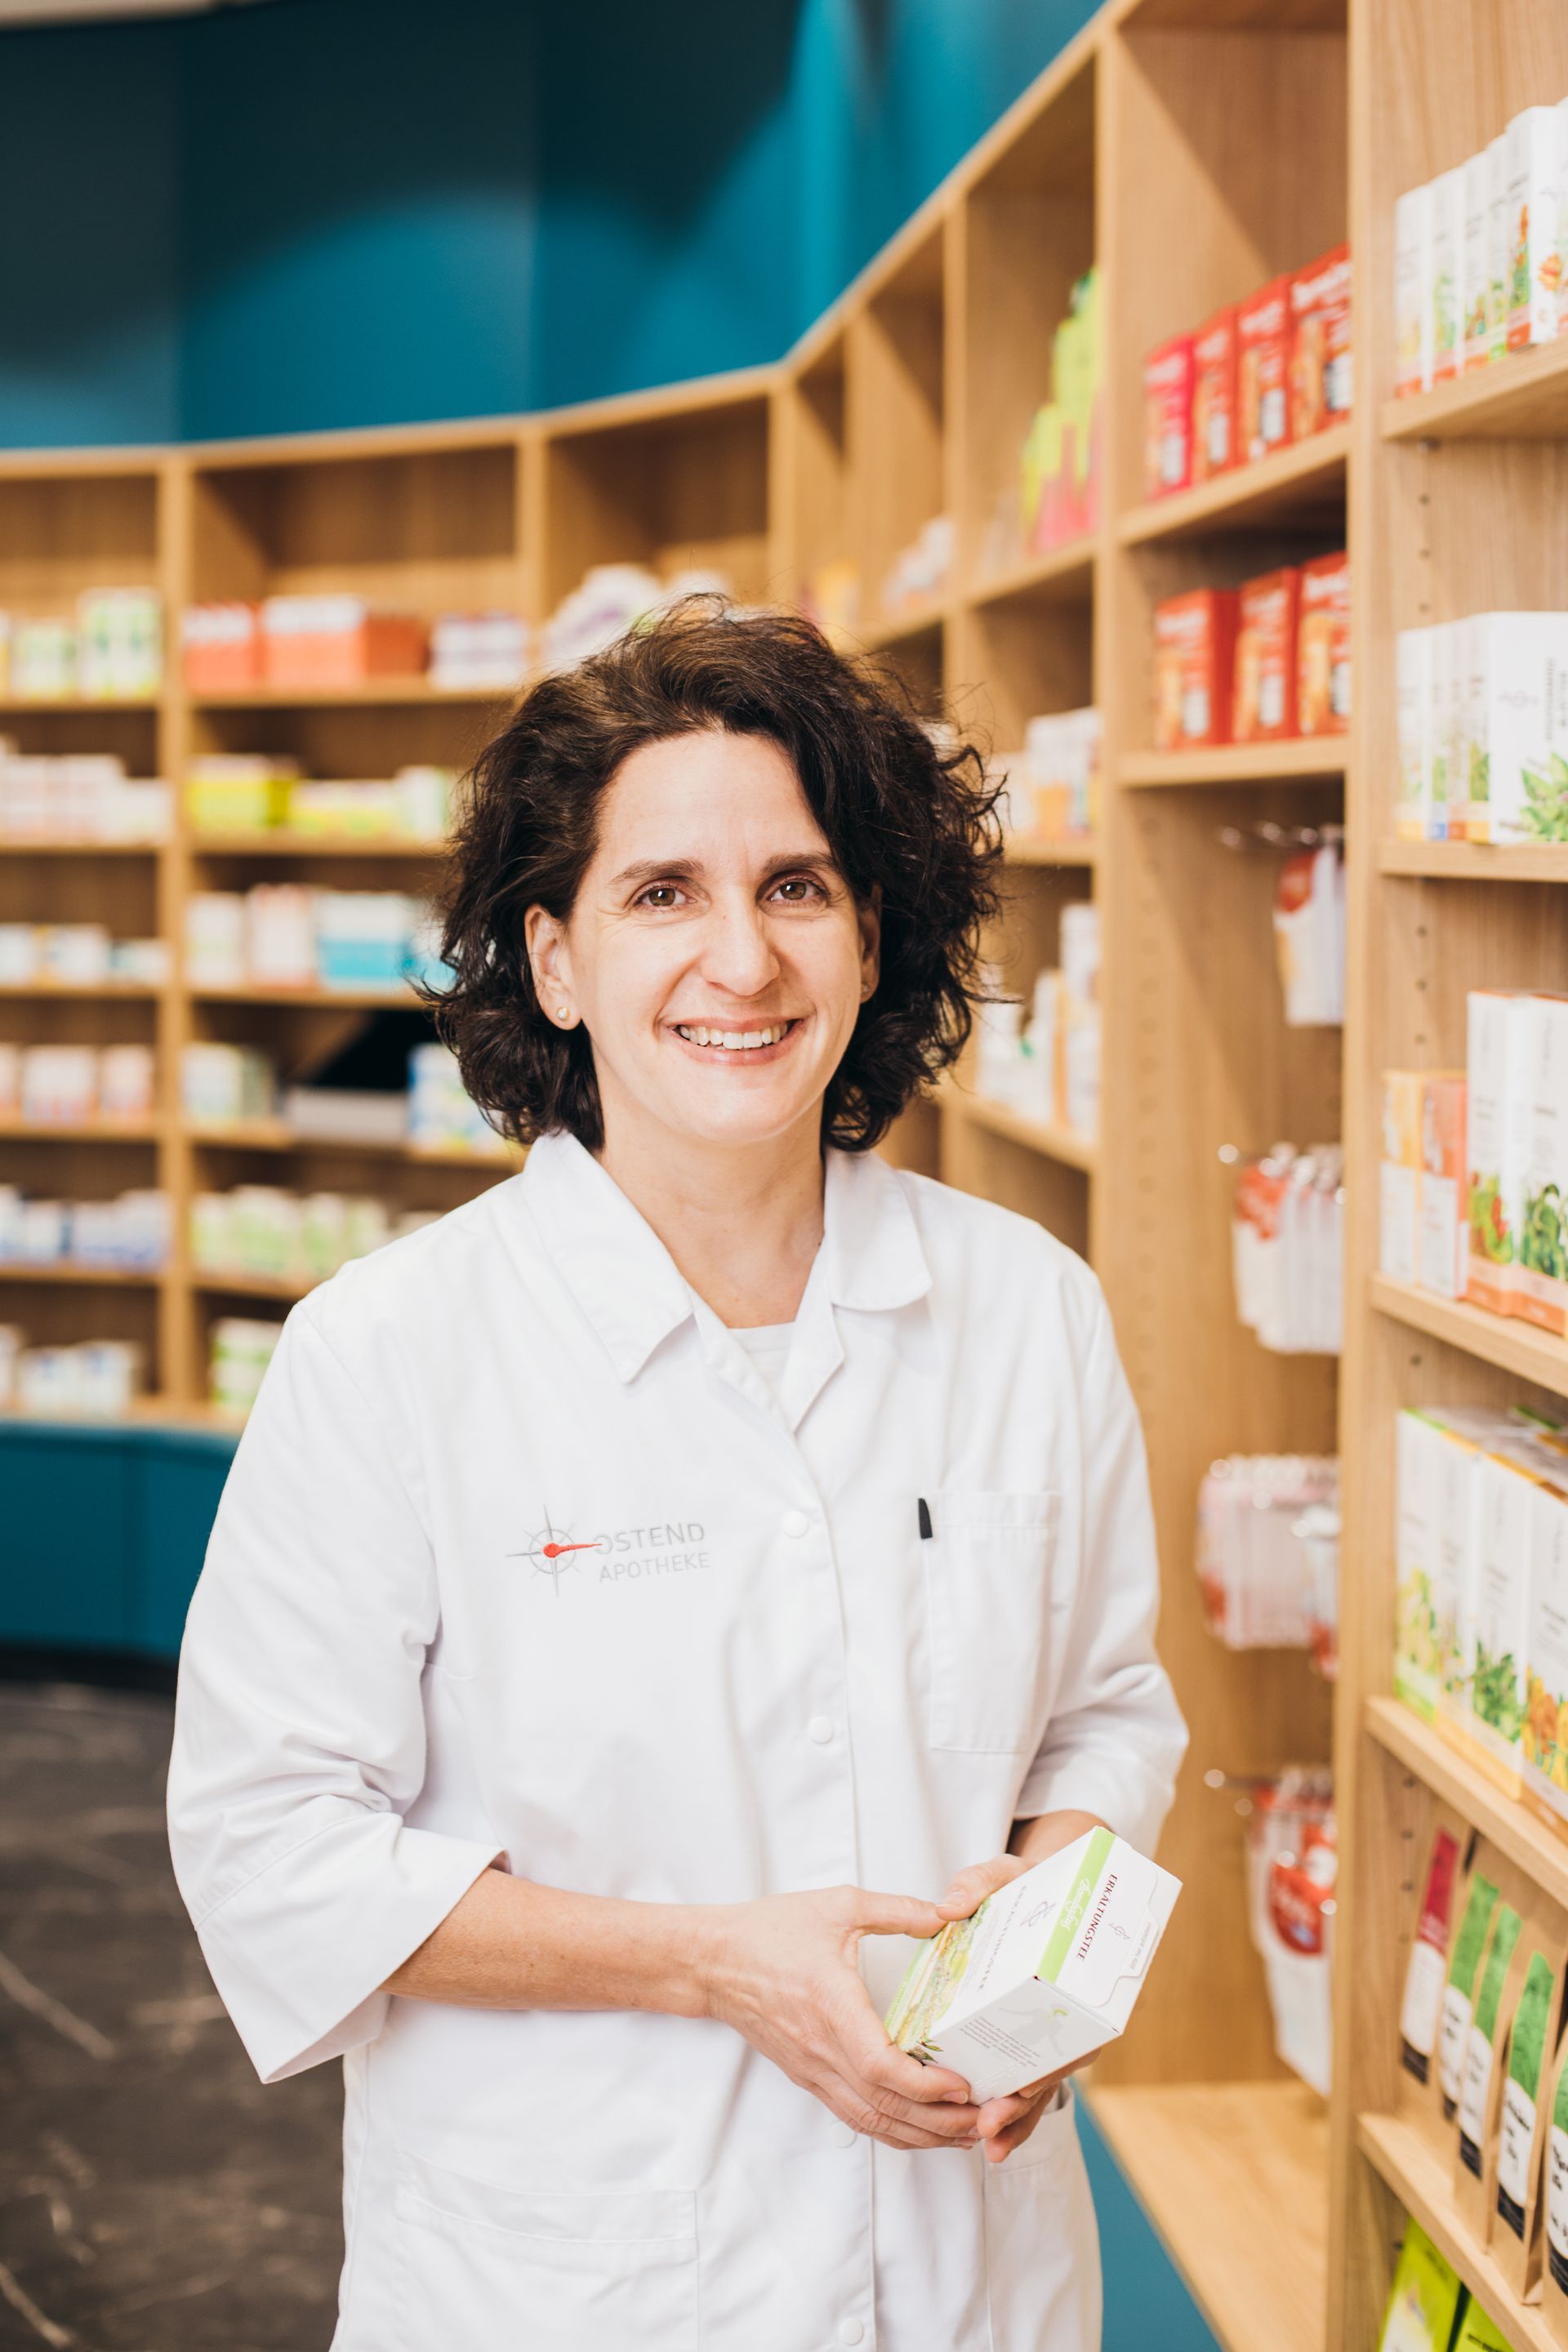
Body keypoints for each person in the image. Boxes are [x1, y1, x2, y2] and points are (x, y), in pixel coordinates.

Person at [167, 603, 1187, 2352]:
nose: (745, 959)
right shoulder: (392, 1354)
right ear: (554, 962)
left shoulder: (1027, 1308)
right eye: (664, 895)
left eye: (797, 886)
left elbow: (1105, 1714)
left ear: (876, 938)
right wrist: (709, 1964)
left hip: (970, 2269)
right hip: (572, 2281)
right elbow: (272, 1850)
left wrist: (1053, 1944)